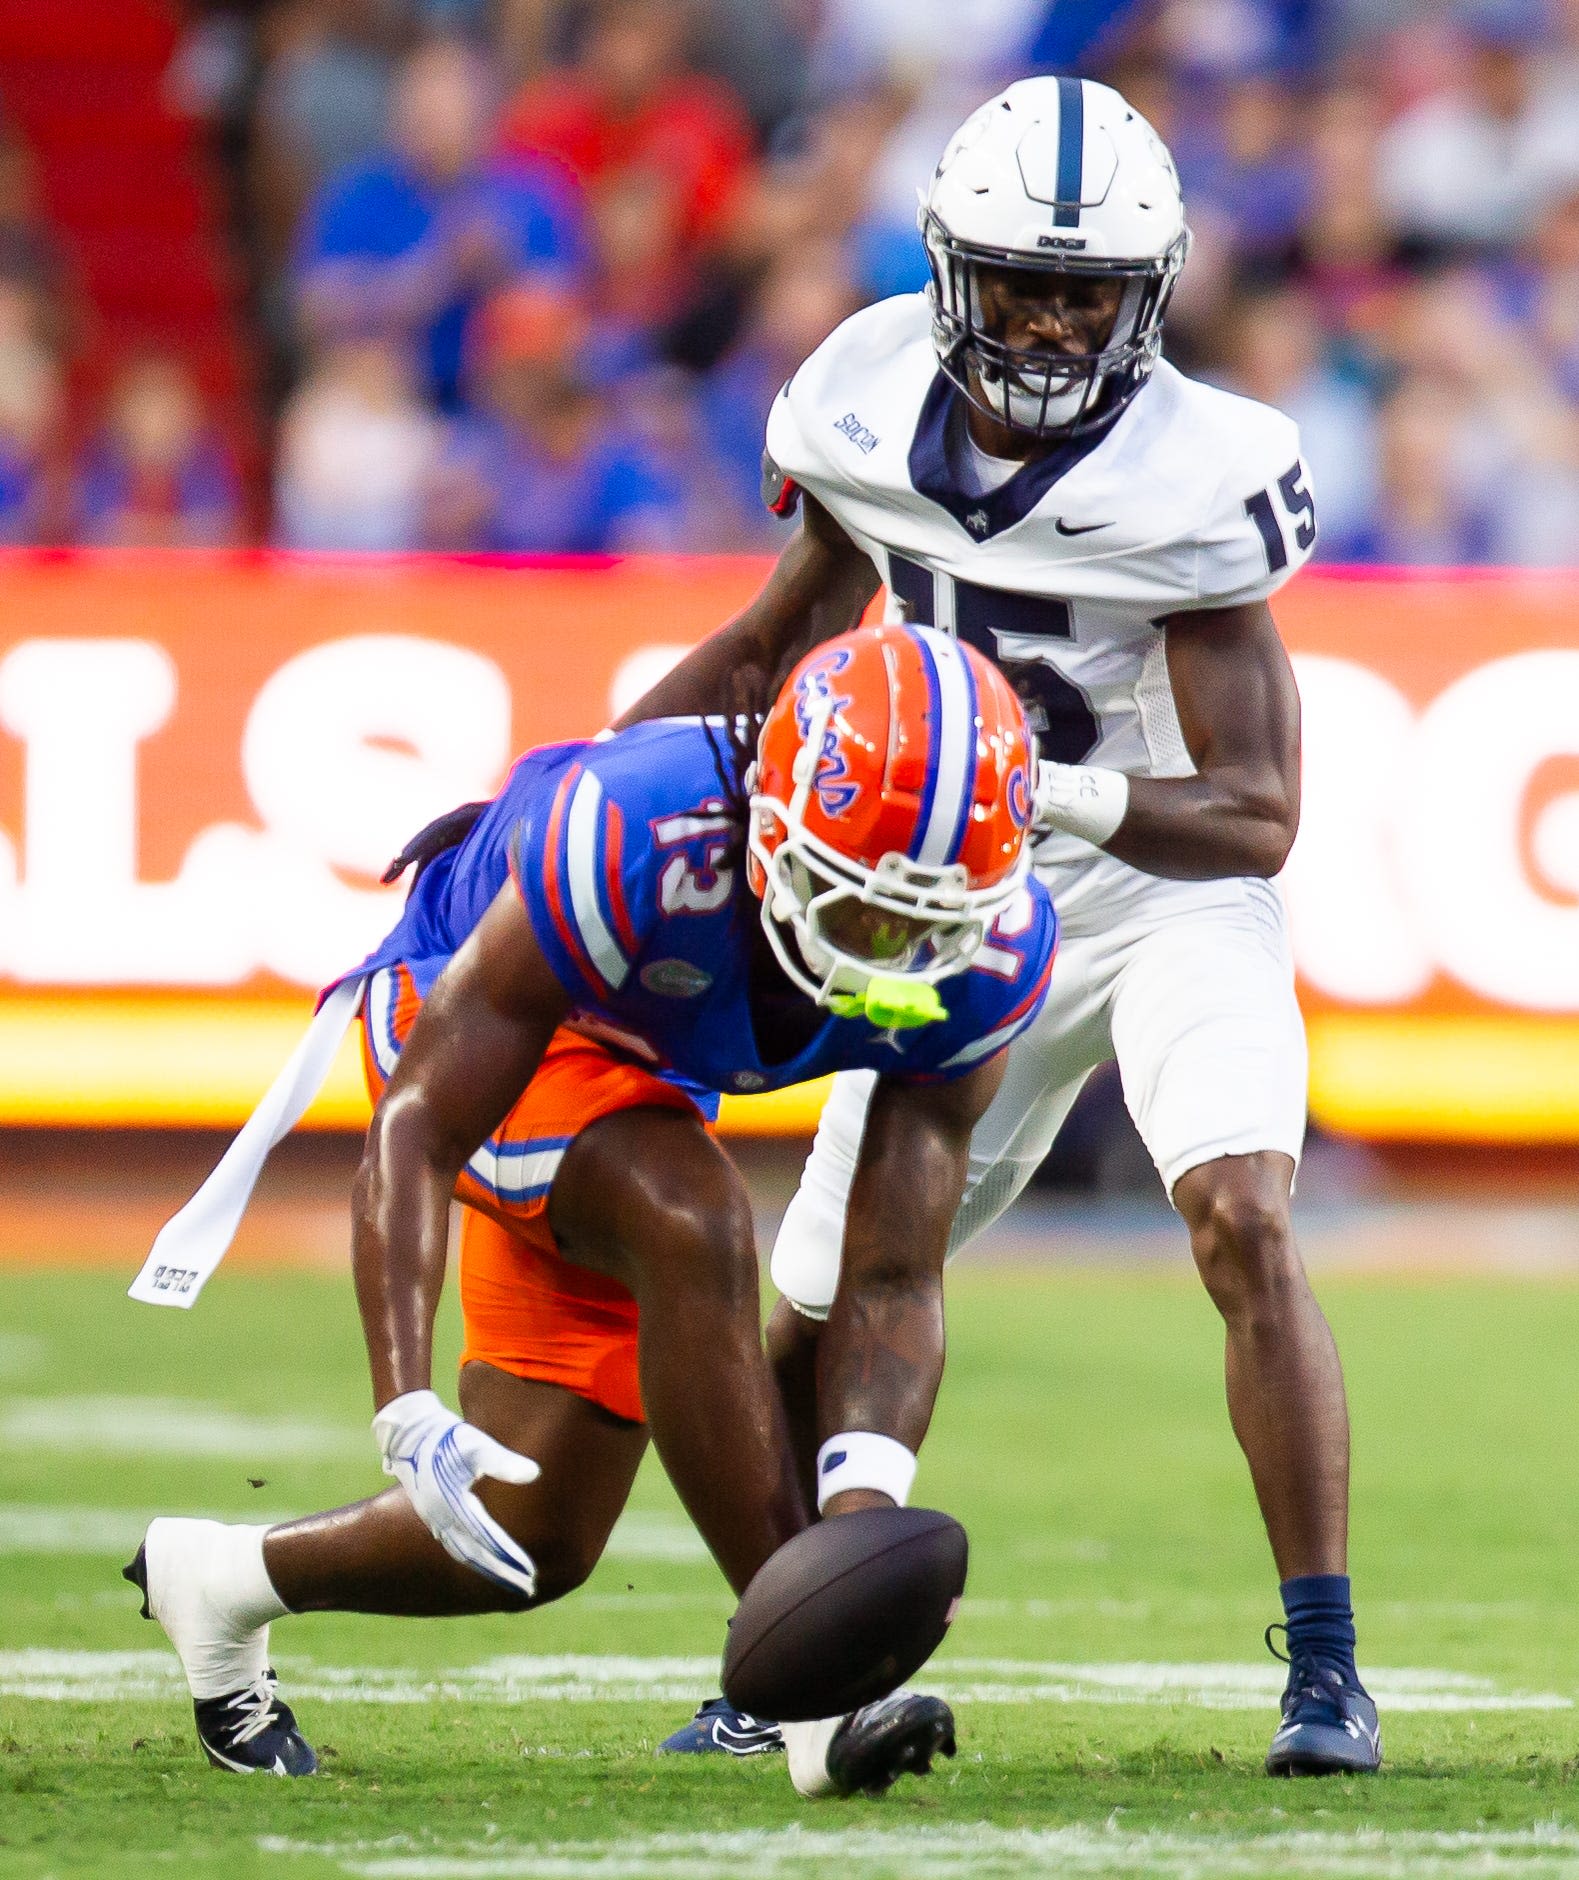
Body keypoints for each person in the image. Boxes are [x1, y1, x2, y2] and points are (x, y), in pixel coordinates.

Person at [630, 76, 1380, 1777]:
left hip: (1154, 880)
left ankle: (1324, 1671)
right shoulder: (856, 396)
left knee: (1242, 1220)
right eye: (1020, 281)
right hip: (951, 900)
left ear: (1148, 293)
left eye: (1085, 289)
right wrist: (572, 787)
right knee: (818, 1295)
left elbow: (1254, 811)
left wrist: (1036, 793)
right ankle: (784, 1651)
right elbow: (765, 652)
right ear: (947, 271)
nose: (1049, 319)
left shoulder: (1202, 471)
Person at [125, 622, 1057, 1798]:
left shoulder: (991, 956)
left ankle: (216, 1580)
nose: (893, 953)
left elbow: (891, 1273)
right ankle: (825, 1716)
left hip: (632, 1069)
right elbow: (416, 1123)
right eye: (861, 905)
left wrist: (857, 1524)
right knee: (694, 1215)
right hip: (460, 1010)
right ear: (768, 831)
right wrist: (403, 1402)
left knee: (534, 1537)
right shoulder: (637, 835)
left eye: (931, 920)